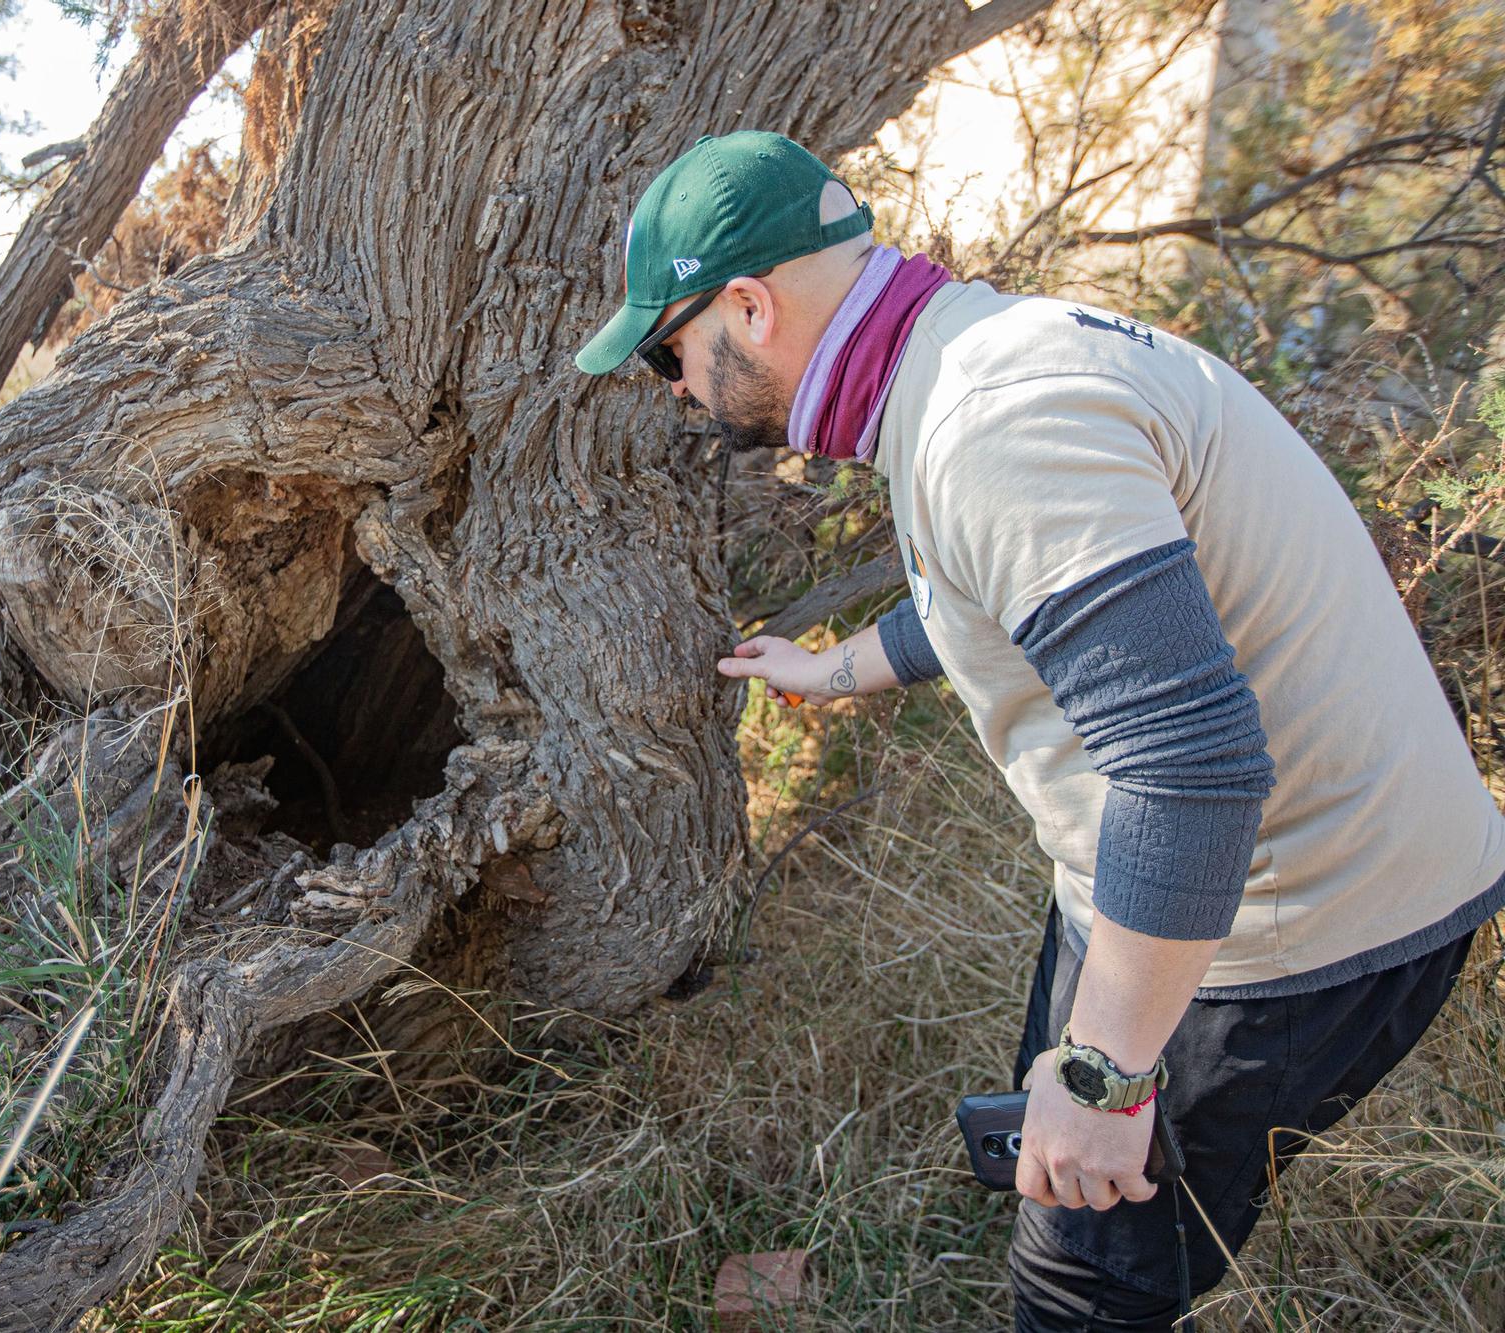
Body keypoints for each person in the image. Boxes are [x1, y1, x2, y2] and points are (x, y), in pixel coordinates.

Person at [574, 130, 1505, 1330]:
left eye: (667, 352)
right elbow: (1008, 595)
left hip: (1286, 919)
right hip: (1239, 878)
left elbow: (1187, 768)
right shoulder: (971, 358)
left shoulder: (991, 424)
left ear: (747, 308)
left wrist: (1105, 1076)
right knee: (1053, 1169)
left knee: (1085, 1287)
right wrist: (833, 667)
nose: (675, 389)